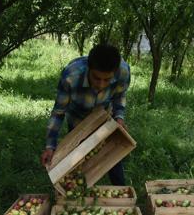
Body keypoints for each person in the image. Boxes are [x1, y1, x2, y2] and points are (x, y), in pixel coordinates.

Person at [40, 43, 130, 185]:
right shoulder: (71, 76)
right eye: (96, 78)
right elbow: (58, 112)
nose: (101, 85)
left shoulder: (123, 72)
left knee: (112, 158)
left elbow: (120, 96)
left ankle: (121, 193)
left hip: (103, 118)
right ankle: (76, 193)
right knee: (77, 159)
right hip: (77, 120)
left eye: (107, 80)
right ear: (89, 68)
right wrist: (50, 146)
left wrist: (119, 117)